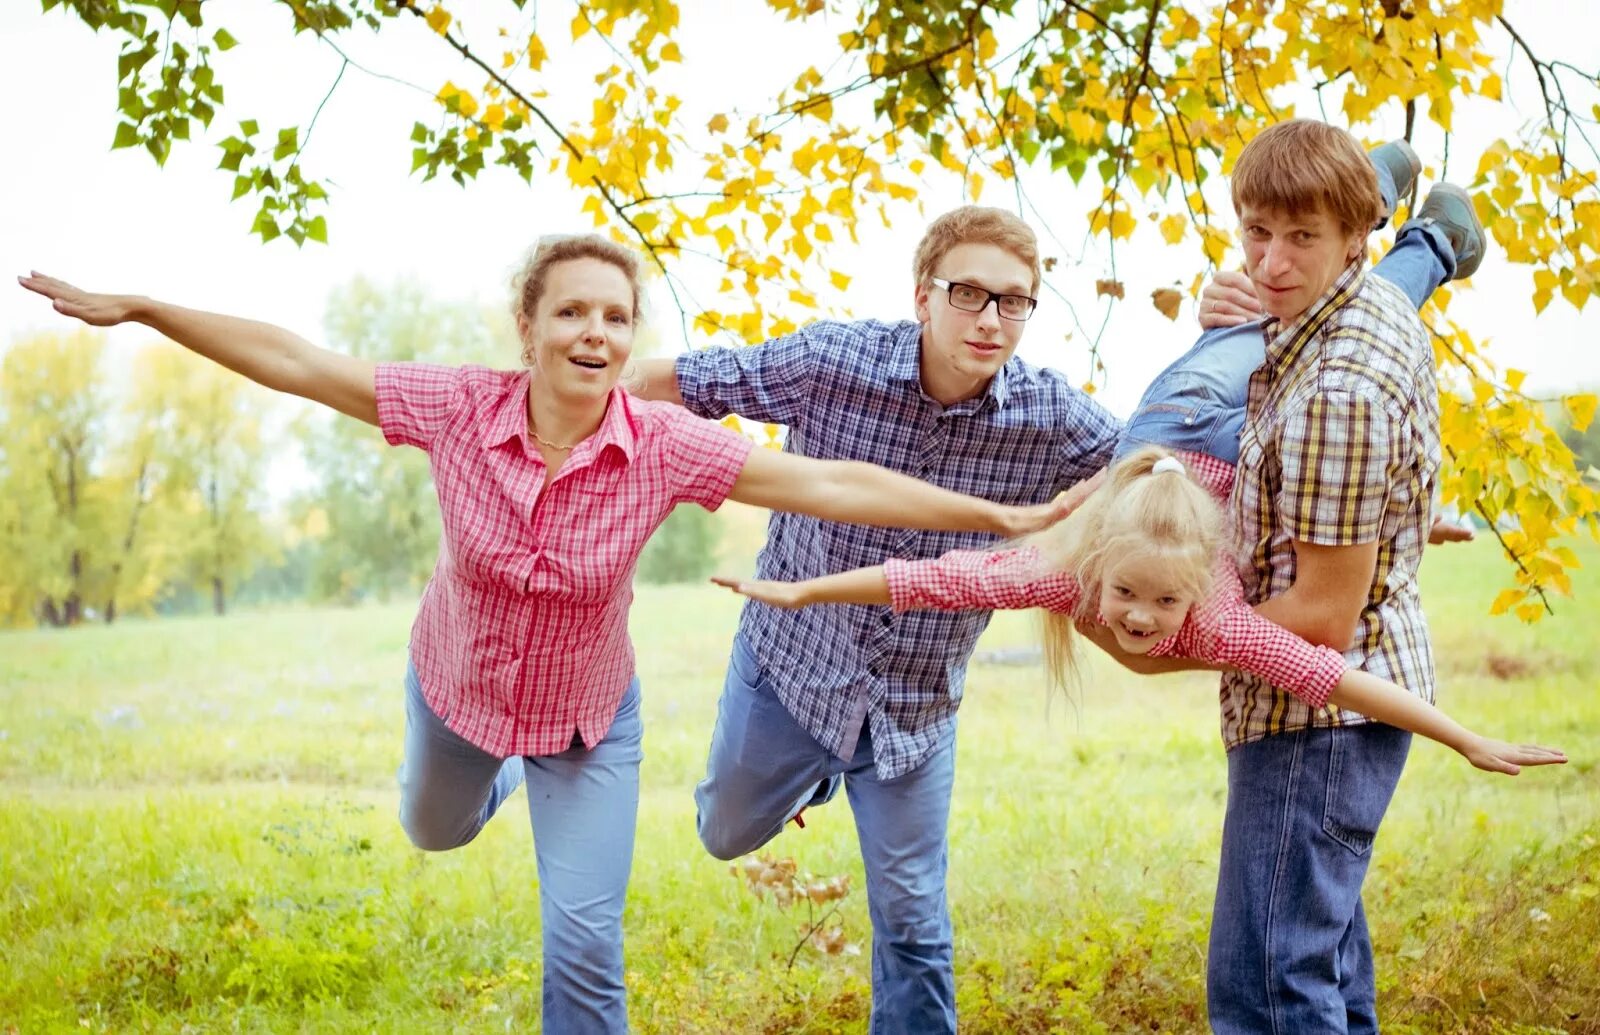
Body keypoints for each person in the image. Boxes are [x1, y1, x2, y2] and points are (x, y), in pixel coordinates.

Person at [17, 235, 1079, 1035]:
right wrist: (150, 308)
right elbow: (296, 360)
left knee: (582, 938)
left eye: (615, 318)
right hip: (459, 697)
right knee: (434, 828)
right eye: (570, 312)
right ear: (527, 327)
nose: (594, 335)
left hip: (586, 722)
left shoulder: (662, 445)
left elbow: (832, 480)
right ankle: (494, 782)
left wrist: (993, 518)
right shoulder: (453, 408)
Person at [627, 206, 1123, 1034]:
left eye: (1014, 300)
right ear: (923, 296)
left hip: (915, 706)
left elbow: (1157, 462)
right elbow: (682, 379)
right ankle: (814, 769)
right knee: (722, 830)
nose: (992, 319)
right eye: (968, 293)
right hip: (791, 665)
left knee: (915, 920)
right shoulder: (831, 362)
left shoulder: (1052, 419)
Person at [1090, 120, 1478, 1033]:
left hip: (1317, 724)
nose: (1269, 261)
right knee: (1322, 967)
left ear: (1360, 234)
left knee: (1268, 991)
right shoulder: (1338, 312)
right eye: (1256, 232)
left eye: (1301, 236)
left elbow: (1318, 622)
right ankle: (1413, 214)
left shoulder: (1338, 391)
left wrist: (1158, 643)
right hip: (1338, 714)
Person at [710, 444, 1565, 776]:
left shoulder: (1225, 615)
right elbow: (939, 577)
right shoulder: (1066, 572)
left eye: (1164, 601)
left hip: (1219, 467)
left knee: (1321, 399)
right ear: (1097, 572)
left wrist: (1462, 735)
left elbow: (1336, 677)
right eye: (1126, 594)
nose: (1142, 619)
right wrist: (805, 588)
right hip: (1160, 431)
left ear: (1200, 586)